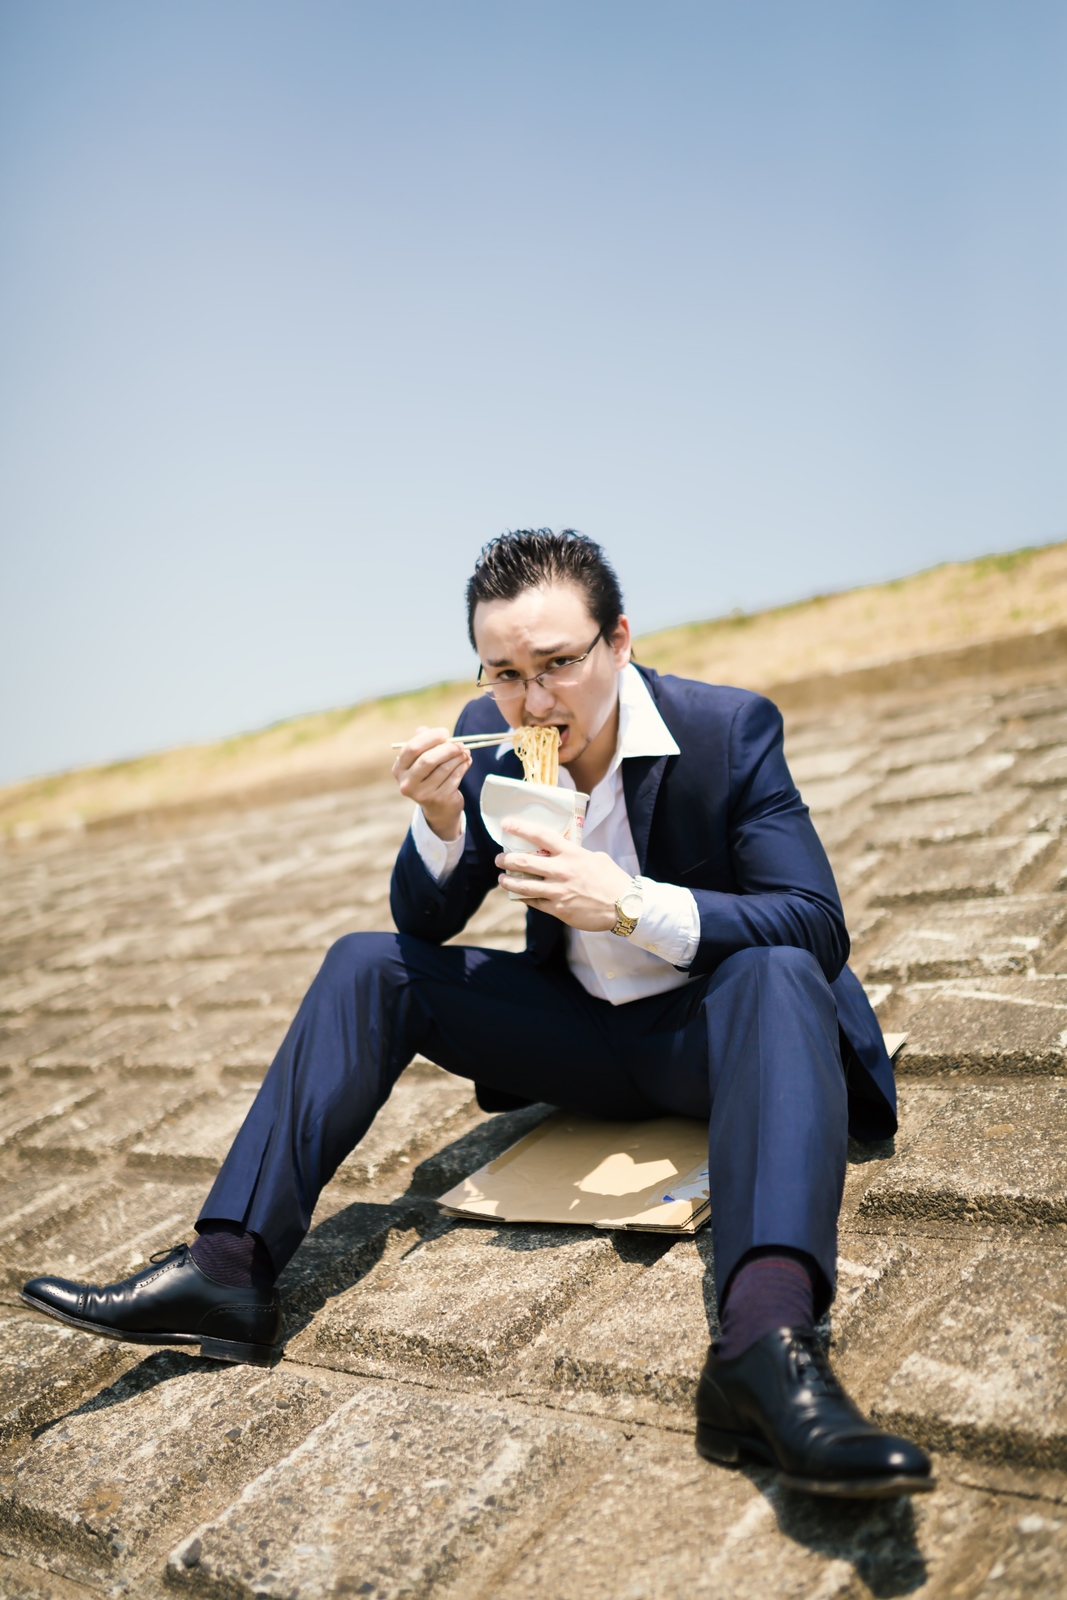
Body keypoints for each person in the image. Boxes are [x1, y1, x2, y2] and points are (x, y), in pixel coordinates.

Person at [22, 529, 931, 1499]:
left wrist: (619, 899)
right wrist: (440, 822)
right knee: (365, 966)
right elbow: (419, 921)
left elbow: (813, 922)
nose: (534, 701)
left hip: (714, 1035)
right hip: (581, 1038)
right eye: (504, 672)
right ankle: (228, 1268)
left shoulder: (726, 728)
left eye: (557, 665)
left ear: (617, 640)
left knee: (775, 971)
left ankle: (761, 1347)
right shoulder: (491, 735)